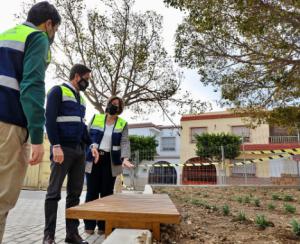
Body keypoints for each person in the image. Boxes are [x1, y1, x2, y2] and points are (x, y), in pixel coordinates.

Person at [0, 2, 60, 243]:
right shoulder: (38, 38)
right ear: (48, 24)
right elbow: (32, 87)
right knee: (2, 199)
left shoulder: (5, 35)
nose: (53, 34)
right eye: (55, 29)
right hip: (9, 126)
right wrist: (37, 137)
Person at [43, 64, 99, 244]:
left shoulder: (81, 100)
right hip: (62, 149)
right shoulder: (57, 91)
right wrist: (55, 145)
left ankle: (71, 233)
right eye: (86, 79)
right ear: (76, 76)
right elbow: (49, 120)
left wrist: (91, 145)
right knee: (54, 193)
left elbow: (82, 126)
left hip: (79, 151)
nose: (87, 83)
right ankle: (49, 235)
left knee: (74, 194)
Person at [84, 96, 134, 235]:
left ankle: (103, 226)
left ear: (120, 109)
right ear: (107, 104)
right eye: (112, 103)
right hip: (94, 159)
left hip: (110, 162)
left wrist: (125, 158)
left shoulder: (122, 124)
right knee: (92, 192)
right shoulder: (96, 118)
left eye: (117, 105)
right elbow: (86, 137)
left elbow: (124, 142)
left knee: (106, 194)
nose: (114, 106)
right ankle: (89, 225)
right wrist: (88, 148)